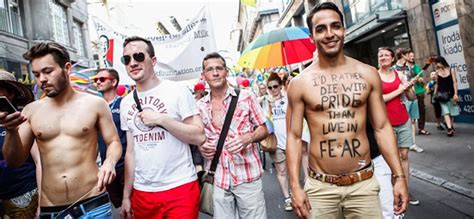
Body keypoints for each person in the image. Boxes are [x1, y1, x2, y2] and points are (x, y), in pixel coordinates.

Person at [286, 3, 409, 219]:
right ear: (312, 38)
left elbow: (381, 128)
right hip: (320, 189)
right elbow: (294, 137)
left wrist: (398, 177)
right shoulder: (299, 84)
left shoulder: (368, 74)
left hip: (363, 185)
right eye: (321, 29)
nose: (330, 34)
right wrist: (295, 186)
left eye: (335, 26)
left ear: (344, 30)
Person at [1, 42, 122, 218]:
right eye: (36, 74)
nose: (41, 79)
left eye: (48, 71)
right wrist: (11, 131)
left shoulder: (95, 104)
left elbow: (114, 142)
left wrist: (109, 163)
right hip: (52, 210)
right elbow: (14, 161)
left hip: (92, 203)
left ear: (67, 68)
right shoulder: (31, 111)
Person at [119, 36, 205, 219]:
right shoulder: (126, 103)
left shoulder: (177, 91)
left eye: (139, 56)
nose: (132, 63)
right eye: (127, 59)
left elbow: (199, 136)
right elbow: (131, 153)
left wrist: (162, 120)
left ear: (153, 60)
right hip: (142, 193)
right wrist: (127, 196)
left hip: (180, 188)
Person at [197, 52, 268, 218]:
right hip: (218, 177)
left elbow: (264, 129)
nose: (215, 73)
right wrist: (201, 147)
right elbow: (198, 138)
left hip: (247, 175)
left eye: (219, 68)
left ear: (226, 71)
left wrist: (249, 137)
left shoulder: (246, 97)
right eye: (210, 69)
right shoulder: (199, 106)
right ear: (204, 75)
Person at [0, 70, 40, 218]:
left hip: (24, 194)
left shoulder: (24, 120)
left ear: (10, 93)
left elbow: (39, 162)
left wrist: (43, 201)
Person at [94, 68, 127, 209]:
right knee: (120, 208)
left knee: (133, 206)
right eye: (96, 80)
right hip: (107, 168)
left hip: (126, 166)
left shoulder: (125, 104)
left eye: (102, 79)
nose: (97, 82)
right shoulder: (95, 107)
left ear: (113, 82)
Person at [394, 48, 424, 153]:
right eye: (408, 54)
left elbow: (413, 81)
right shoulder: (394, 69)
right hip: (403, 99)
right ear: (403, 55)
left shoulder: (409, 68)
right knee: (404, 122)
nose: (410, 56)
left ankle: (413, 144)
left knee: (413, 121)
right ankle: (403, 145)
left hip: (412, 96)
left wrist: (416, 81)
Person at [433, 56, 459, 137]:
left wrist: (455, 93)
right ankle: (449, 129)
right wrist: (434, 94)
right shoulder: (437, 72)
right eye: (436, 63)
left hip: (451, 94)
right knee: (446, 112)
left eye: (438, 63)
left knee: (451, 112)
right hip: (441, 95)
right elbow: (437, 84)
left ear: (442, 62)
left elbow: (455, 82)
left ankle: (450, 125)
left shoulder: (451, 70)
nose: (437, 64)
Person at [406, 51, 430, 137]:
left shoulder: (417, 67)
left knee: (421, 110)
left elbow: (422, 80)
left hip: (419, 92)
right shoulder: (404, 68)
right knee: (409, 112)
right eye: (410, 56)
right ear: (406, 56)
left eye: (413, 56)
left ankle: (421, 128)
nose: (413, 57)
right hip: (409, 93)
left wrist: (421, 80)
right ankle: (408, 130)